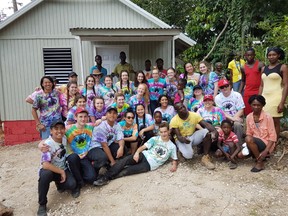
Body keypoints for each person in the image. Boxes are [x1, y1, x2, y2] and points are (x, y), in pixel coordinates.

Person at [93, 122, 177, 186]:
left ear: (168, 131)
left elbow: (174, 159)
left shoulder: (172, 146)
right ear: (159, 132)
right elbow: (142, 147)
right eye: (161, 132)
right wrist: (137, 153)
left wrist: (174, 165)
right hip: (144, 155)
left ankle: (109, 177)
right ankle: (105, 177)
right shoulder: (155, 139)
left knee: (127, 171)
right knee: (124, 161)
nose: (163, 134)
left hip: (149, 165)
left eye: (165, 131)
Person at [37, 120, 77, 216]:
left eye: (61, 128)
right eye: (56, 129)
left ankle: (59, 184)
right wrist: (61, 172)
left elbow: (76, 124)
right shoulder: (47, 144)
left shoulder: (64, 138)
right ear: (51, 131)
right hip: (51, 170)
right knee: (45, 174)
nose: (59, 131)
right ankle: (42, 204)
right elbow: (45, 164)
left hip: (62, 168)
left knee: (72, 185)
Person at [170, 102, 218, 170]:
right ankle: (181, 152)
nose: (183, 108)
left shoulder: (194, 115)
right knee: (189, 156)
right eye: (180, 108)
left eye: (183, 106)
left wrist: (214, 131)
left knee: (207, 133)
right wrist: (184, 140)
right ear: (177, 111)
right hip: (182, 139)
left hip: (192, 136)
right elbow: (179, 137)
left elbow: (206, 125)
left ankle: (205, 157)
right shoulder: (174, 120)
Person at [87, 107, 126, 175]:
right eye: (110, 113)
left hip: (108, 144)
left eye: (114, 113)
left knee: (123, 148)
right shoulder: (101, 126)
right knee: (103, 157)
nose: (112, 115)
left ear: (117, 115)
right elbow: (104, 145)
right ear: (106, 115)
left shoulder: (117, 125)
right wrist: (113, 161)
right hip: (96, 147)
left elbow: (121, 138)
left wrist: (121, 148)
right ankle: (96, 166)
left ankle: (107, 164)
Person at [259, 47, 288, 139]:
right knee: (264, 120)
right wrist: (258, 99)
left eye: (274, 55)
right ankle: (265, 140)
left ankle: (274, 141)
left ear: (278, 55)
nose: (271, 57)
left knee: (275, 121)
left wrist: (282, 102)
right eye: (269, 55)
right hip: (264, 98)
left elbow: (286, 85)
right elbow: (261, 85)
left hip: (276, 98)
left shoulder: (283, 67)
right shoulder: (264, 68)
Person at [245, 95, 277, 172]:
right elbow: (249, 132)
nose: (256, 107)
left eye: (258, 105)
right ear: (250, 105)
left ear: (262, 105)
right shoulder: (249, 117)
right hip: (254, 142)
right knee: (240, 155)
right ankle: (258, 155)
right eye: (254, 105)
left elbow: (273, 136)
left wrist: (266, 150)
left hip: (266, 143)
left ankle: (260, 162)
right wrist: (247, 145)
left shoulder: (267, 116)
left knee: (248, 139)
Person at [65, 108, 97, 188]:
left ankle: (83, 173)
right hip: (74, 157)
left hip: (85, 156)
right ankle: (78, 180)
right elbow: (53, 137)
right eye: (80, 116)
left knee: (91, 178)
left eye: (85, 116)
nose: (83, 119)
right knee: (73, 160)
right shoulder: (68, 129)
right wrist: (41, 144)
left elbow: (98, 124)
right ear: (75, 117)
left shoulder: (90, 127)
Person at [215, 79, 245, 144]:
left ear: (230, 86)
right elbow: (221, 112)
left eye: (226, 86)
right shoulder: (217, 98)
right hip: (225, 119)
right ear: (219, 89)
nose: (224, 88)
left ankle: (239, 144)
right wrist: (232, 119)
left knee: (237, 124)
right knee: (222, 125)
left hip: (237, 116)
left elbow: (241, 110)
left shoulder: (237, 95)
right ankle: (225, 144)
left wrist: (234, 119)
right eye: (222, 87)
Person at [240, 48, 264, 116]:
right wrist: (239, 92)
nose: (249, 57)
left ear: (254, 55)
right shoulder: (243, 67)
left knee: (259, 111)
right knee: (248, 113)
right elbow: (243, 80)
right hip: (247, 92)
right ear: (245, 56)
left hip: (258, 91)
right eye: (247, 55)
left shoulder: (260, 65)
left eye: (251, 55)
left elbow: (264, 79)